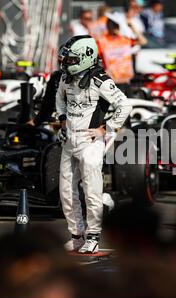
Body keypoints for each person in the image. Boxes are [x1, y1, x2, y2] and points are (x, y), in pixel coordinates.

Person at [56, 35, 132, 254]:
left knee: (92, 192)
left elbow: (124, 106)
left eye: (71, 60)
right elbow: (59, 99)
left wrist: (105, 129)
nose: (66, 63)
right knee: (66, 193)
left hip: (91, 142)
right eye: (66, 59)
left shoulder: (102, 80)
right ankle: (77, 235)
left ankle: (93, 236)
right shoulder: (64, 79)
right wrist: (62, 119)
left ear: (85, 57)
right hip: (69, 141)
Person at [96, 14, 146, 96]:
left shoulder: (124, 39)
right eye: (111, 24)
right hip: (111, 82)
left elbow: (143, 41)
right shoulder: (102, 41)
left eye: (115, 24)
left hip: (126, 81)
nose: (113, 27)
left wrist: (132, 27)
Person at [28, 48, 65, 127]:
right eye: (61, 59)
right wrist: (35, 122)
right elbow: (48, 105)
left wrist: (99, 130)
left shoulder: (92, 80)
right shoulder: (56, 77)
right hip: (61, 122)